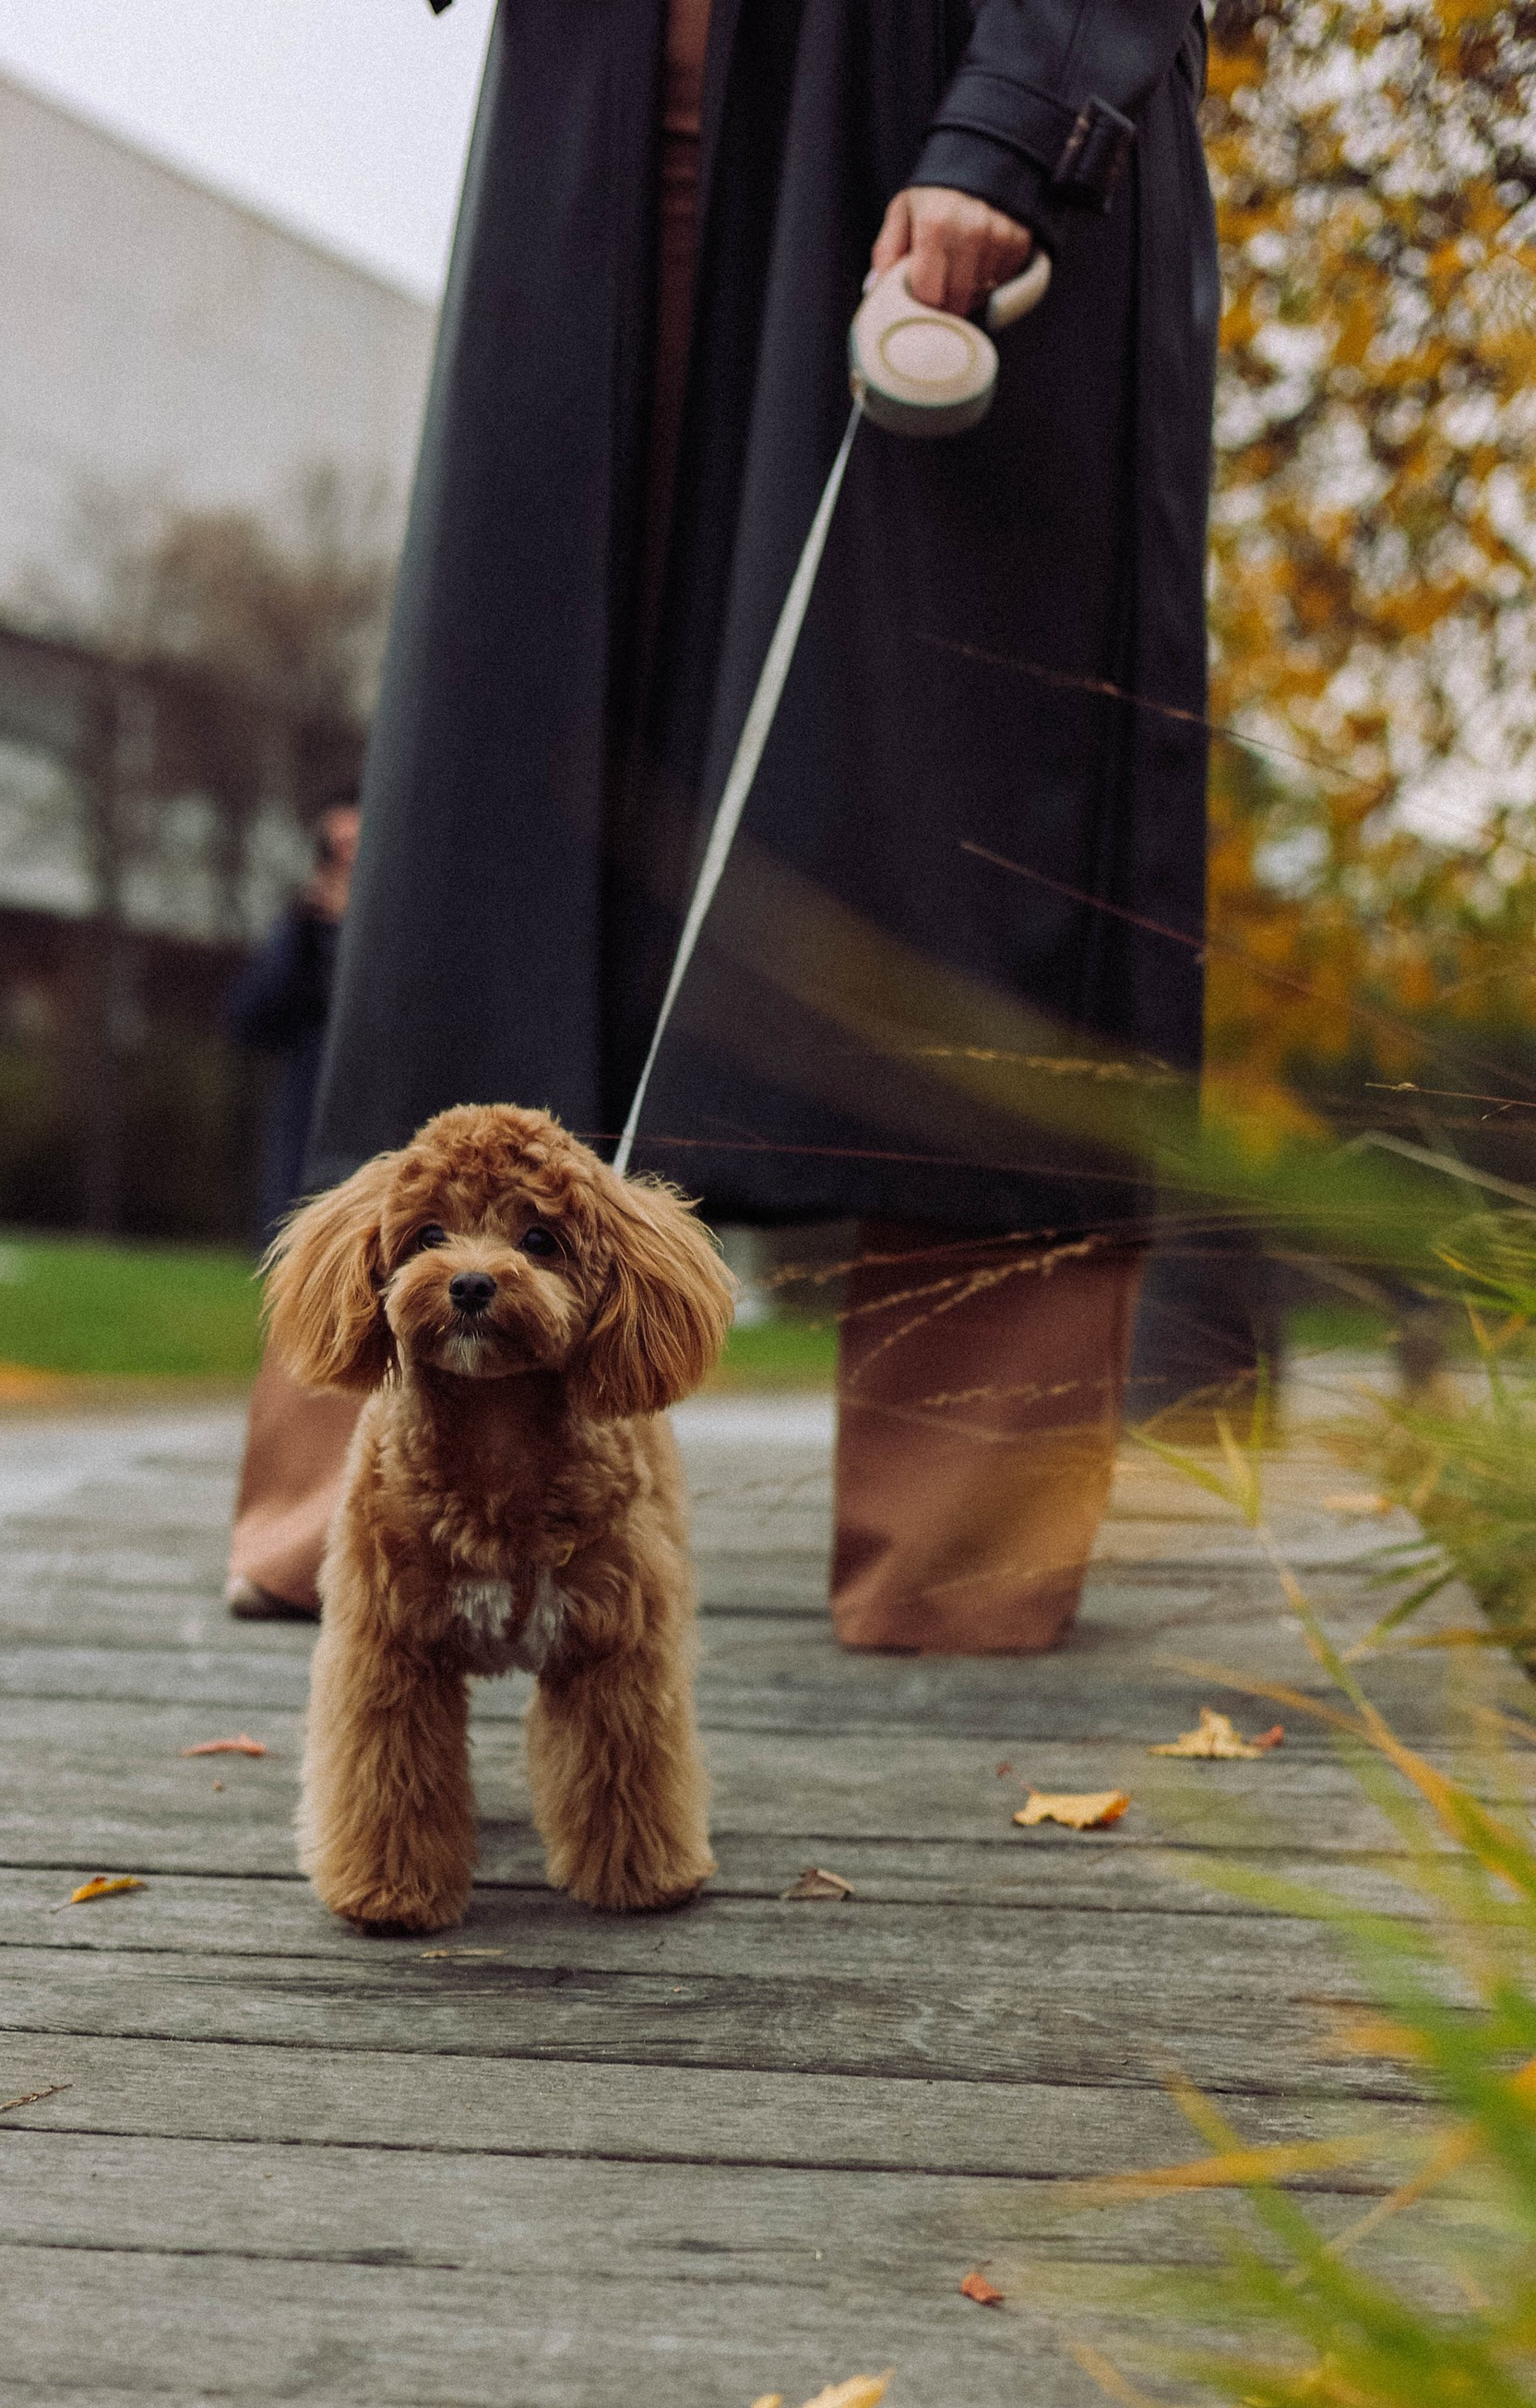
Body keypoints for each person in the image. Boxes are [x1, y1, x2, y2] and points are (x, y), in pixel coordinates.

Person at [224, 0, 1217, 1650]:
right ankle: (381, 1493)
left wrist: (1014, 123)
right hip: (608, 94)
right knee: (511, 763)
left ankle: (954, 1549)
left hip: (930, 103)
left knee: (949, 805)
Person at [223, 793, 366, 1617]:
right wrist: (314, 937)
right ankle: (292, 1543)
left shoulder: (414, 920)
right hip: (312, 1143)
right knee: (306, 1331)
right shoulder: (305, 931)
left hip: (386, 1144)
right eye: (332, 849)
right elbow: (249, 1020)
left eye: (360, 848)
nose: (344, 864)